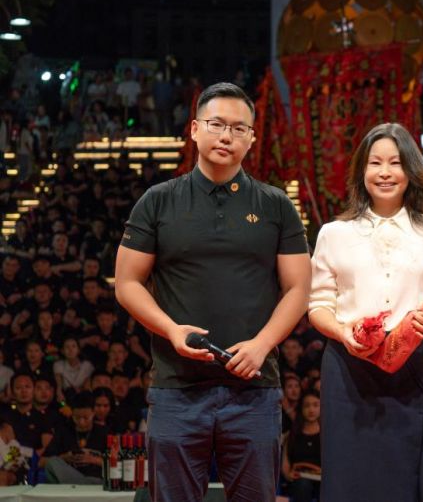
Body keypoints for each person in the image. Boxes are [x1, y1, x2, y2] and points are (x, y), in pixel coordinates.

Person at [114, 82, 311, 502]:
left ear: (252, 138)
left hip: (254, 389)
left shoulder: (276, 204)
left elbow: (298, 288)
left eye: (239, 128)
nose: (226, 136)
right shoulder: (158, 201)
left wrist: (263, 344)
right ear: (194, 129)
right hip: (176, 388)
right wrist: (171, 330)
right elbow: (127, 283)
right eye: (216, 124)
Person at [309, 122, 423, 502]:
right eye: (375, 163)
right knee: (350, 479)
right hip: (349, 366)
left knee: (410, 476)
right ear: (361, 171)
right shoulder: (334, 233)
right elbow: (318, 304)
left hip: (413, 364)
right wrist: (343, 332)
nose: (384, 172)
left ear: (410, 171)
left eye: (395, 163)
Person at [282, 390, 322, 502]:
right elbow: (285, 465)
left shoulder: (327, 435)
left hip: (322, 479)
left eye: (315, 405)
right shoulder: (292, 434)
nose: (311, 410)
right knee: (303, 485)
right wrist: (288, 474)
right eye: (307, 406)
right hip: (299, 479)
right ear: (301, 409)